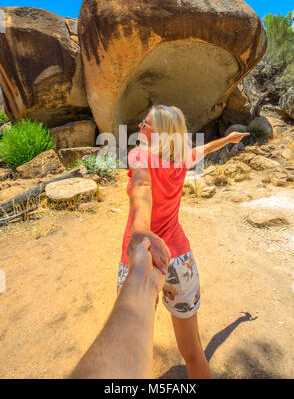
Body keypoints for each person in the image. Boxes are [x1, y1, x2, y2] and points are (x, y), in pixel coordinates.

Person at [118, 104, 250, 380]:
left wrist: (141, 233)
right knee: (193, 352)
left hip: (143, 260)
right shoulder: (180, 159)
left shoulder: (139, 154)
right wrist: (228, 140)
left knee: (128, 354)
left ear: (158, 134)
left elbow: (142, 186)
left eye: (145, 125)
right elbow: (207, 149)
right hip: (180, 260)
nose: (139, 128)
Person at [70, 237, 167, 379]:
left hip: (136, 258)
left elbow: (139, 226)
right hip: (174, 252)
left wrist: (139, 274)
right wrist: (145, 280)